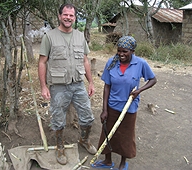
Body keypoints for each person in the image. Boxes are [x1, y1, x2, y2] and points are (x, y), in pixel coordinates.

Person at [38, 3, 97, 165]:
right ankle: (59, 147)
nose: (68, 18)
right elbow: (42, 62)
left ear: (75, 18)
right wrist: (43, 86)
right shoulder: (49, 37)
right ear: (59, 16)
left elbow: (85, 60)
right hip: (58, 86)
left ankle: (84, 140)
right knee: (58, 120)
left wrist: (91, 82)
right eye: (65, 15)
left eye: (71, 16)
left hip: (78, 84)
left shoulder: (80, 36)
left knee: (87, 118)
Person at [92, 36, 157, 170]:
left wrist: (139, 90)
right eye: (119, 51)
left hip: (129, 108)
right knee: (107, 133)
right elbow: (107, 87)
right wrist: (104, 110)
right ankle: (108, 161)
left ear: (132, 51)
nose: (121, 54)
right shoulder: (111, 62)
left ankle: (123, 163)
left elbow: (152, 80)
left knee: (125, 136)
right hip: (112, 106)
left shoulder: (140, 64)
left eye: (125, 51)